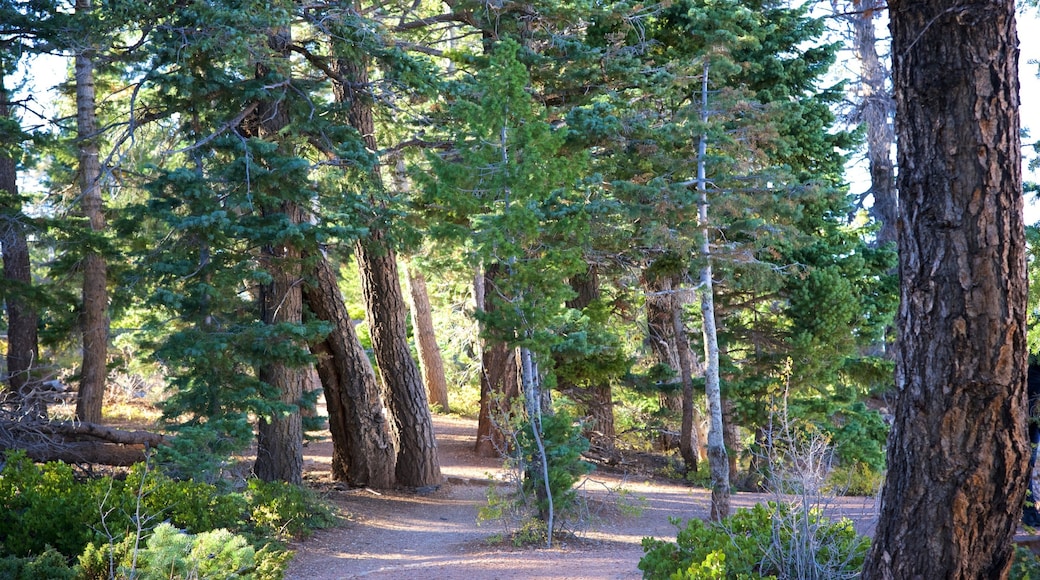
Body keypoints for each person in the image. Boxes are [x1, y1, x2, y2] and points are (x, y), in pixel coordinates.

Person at [1024, 362, 1040, 527]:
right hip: (1033, 404)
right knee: (1028, 458)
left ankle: (1029, 512)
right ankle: (1028, 512)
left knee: (1029, 459)